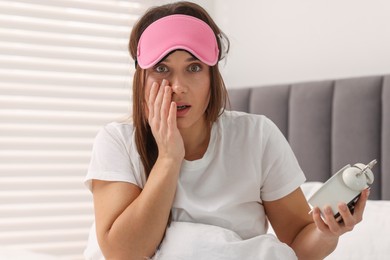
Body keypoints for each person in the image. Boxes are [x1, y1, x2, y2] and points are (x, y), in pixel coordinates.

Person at [84, 1, 369, 259]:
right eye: (161, 68)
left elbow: (297, 244)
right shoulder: (117, 141)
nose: (178, 86)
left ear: (212, 76)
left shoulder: (257, 137)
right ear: (142, 78)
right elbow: (124, 253)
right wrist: (169, 158)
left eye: (194, 68)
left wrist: (326, 233)